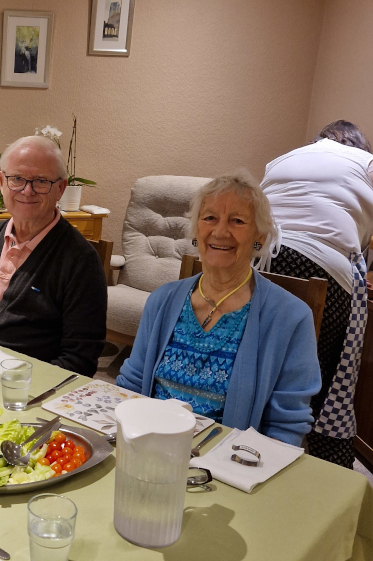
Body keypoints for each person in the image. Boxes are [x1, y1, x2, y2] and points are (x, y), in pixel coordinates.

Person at [116, 170, 321, 445]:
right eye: (210, 217)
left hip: (233, 463)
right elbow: (132, 386)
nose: (220, 231)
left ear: (259, 235)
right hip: (149, 448)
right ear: (196, 229)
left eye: (237, 221)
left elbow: (287, 424)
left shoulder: (291, 318)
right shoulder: (161, 301)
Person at [0, 135, 107, 376]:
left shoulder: (80, 261)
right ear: (1, 182)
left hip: (17, 393)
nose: (27, 191)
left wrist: (14, 387)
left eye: (40, 181)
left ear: (60, 188)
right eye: (16, 179)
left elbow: (79, 360)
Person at [259, 120, 373, 467]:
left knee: (261, 355)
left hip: (262, 259)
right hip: (322, 267)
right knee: (320, 373)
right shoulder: (366, 163)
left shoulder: (282, 159)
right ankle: (320, 452)